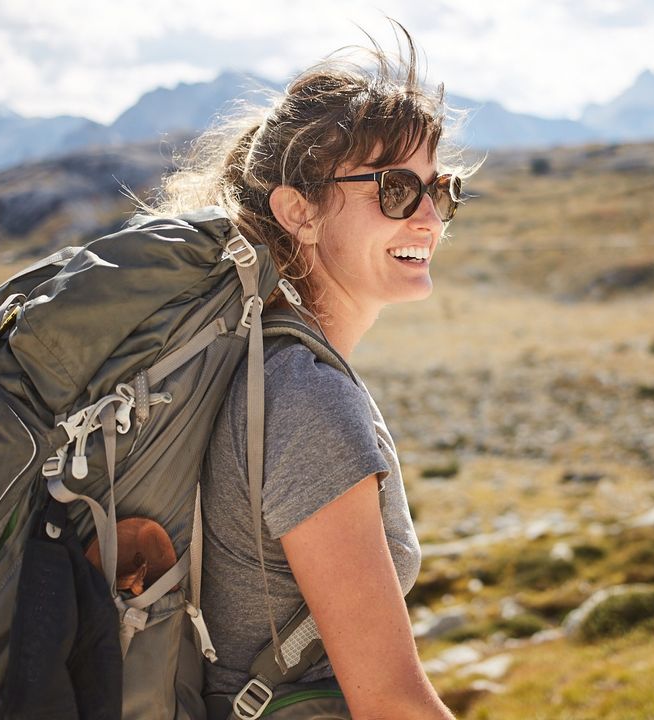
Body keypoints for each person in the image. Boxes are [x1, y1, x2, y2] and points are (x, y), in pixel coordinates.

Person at [142, 25, 468, 720]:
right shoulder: (307, 398)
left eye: (439, 189)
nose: (430, 218)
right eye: (396, 188)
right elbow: (392, 703)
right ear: (301, 212)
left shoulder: (266, 366)